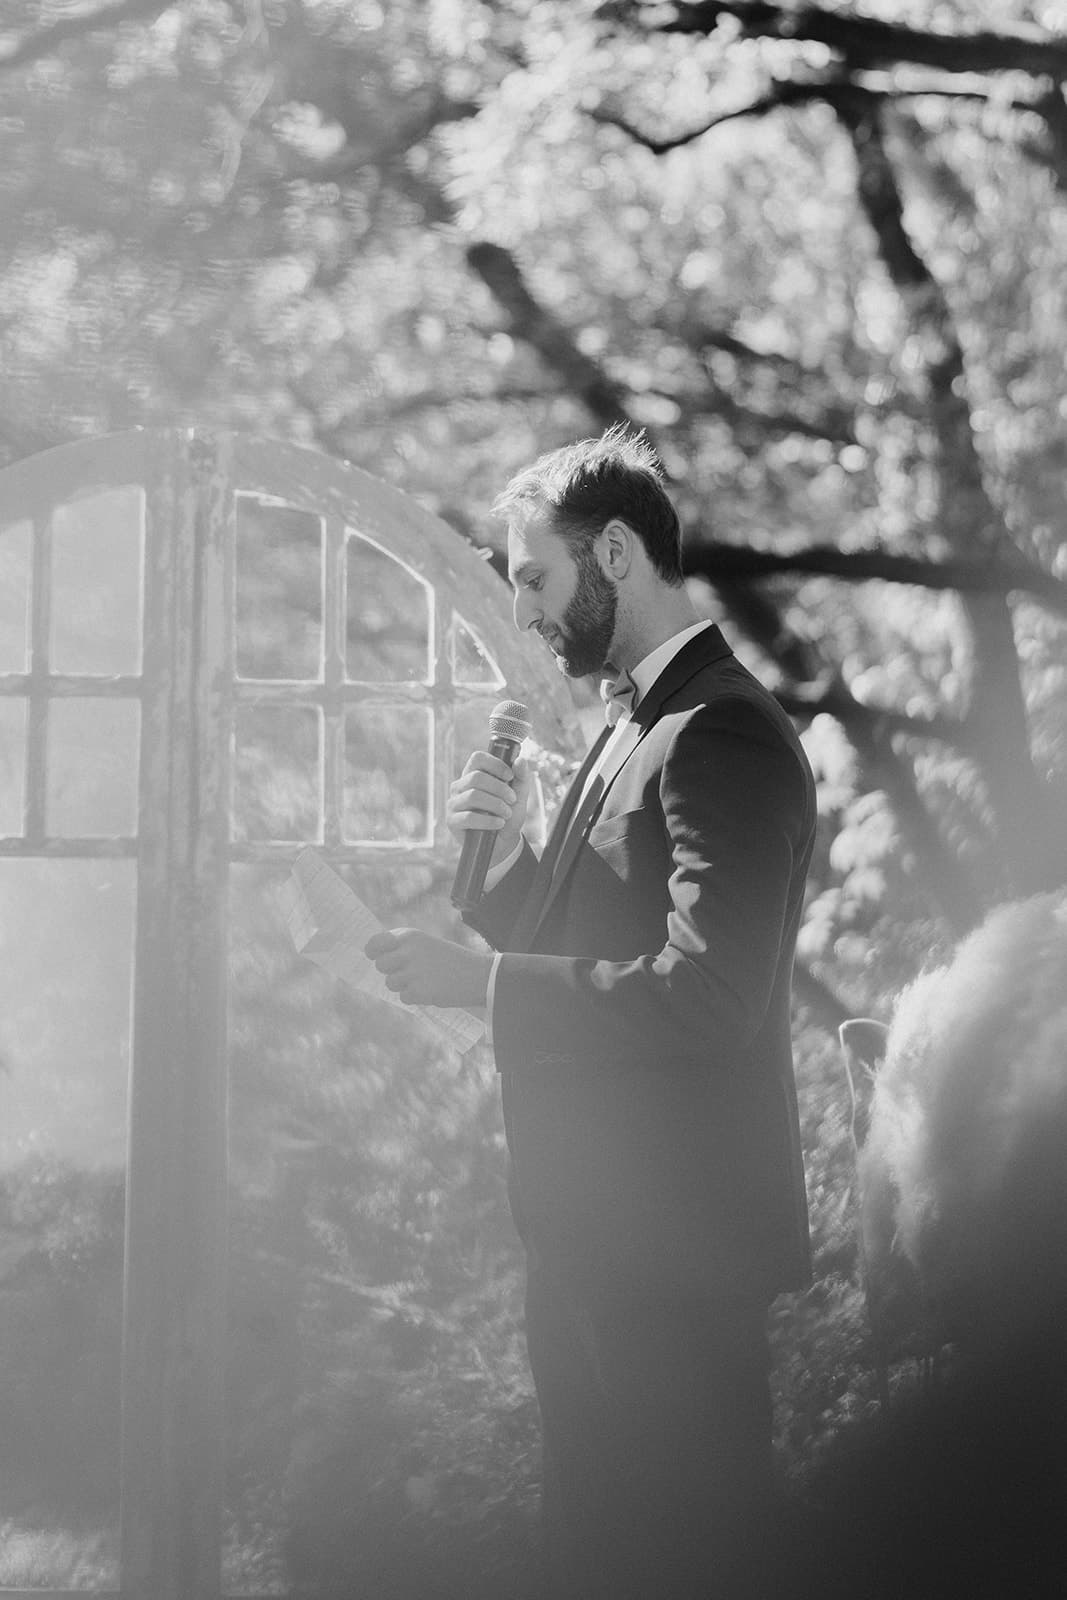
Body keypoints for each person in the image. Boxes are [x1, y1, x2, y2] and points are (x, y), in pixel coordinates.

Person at [366, 426, 816, 1598]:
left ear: (614, 553)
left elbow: (708, 997)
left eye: (533, 577)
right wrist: (499, 869)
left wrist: (481, 987)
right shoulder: (626, 728)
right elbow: (585, 960)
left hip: (675, 1264)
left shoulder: (719, 732)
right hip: (585, 1244)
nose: (521, 613)